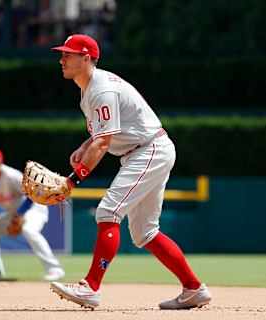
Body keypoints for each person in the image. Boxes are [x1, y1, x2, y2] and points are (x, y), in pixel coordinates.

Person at [48, 34, 212, 310]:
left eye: (68, 54)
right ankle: (194, 288)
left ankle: (90, 286)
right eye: (62, 54)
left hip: (148, 150)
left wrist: (72, 180)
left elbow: (103, 143)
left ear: (86, 57)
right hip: (146, 150)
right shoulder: (90, 89)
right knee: (145, 232)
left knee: (108, 212)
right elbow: (102, 134)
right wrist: (84, 144)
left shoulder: (101, 89)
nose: (62, 59)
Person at [0, 147, 65, 281]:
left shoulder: (12, 176)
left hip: (34, 208)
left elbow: (33, 194)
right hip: (15, 213)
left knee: (29, 230)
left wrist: (20, 215)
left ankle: (55, 269)